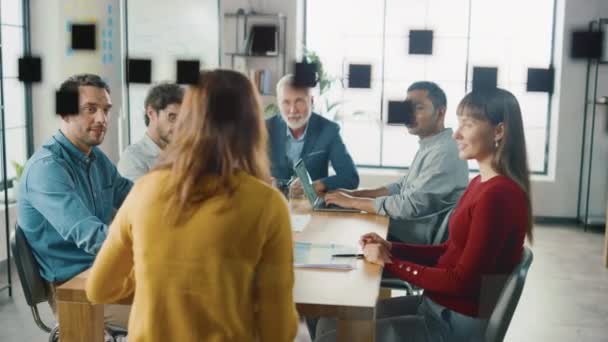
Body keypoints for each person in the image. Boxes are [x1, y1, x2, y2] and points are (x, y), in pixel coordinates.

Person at [86, 69, 299, 341]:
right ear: (253, 126)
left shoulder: (144, 189)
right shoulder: (267, 204)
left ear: (188, 119)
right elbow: (278, 331)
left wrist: (161, 276)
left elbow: (99, 288)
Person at [317, 88, 533, 342]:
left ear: (498, 131)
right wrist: (391, 247)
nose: (457, 134)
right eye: (459, 123)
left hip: (450, 324)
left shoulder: (498, 196)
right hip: (436, 307)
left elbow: (462, 282)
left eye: (468, 124)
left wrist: (389, 262)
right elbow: (447, 250)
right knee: (328, 320)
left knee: (331, 337)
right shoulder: (480, 184)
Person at [17, 73, 133, 327]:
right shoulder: (46, 169)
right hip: (75, 290)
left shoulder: (96, 158)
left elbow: (135, 199)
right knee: (175, 315)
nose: (102, 119)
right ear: (66, 113)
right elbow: (90, 235)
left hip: (106, 271)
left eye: (106, 110)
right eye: (91, 109)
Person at [325, 81, 469, 244]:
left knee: (342, 232)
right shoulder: (431, 144)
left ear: (440, 112)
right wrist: (354, 195)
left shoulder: (444, 151)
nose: (409, 114)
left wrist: (352, 202)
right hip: (406, 230)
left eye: (419, 107)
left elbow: (410, 206)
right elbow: (402, 187)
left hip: (418, 241)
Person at [266, 74, 359, 195]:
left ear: (311, 101)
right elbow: (245, 173)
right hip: (273, 205)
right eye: (286, 102)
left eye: (299, 101)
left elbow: (351, 177)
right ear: (279, 104)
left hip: (312, 210)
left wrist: (318, 185)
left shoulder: (329, 130)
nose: (293, 110)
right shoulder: (265, 129)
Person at [117, 82, 184, 181]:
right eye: (172, 117)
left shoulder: (184, 154)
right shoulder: (133, 158)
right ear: (151, 113)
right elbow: (142, 196)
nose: (178, 126)